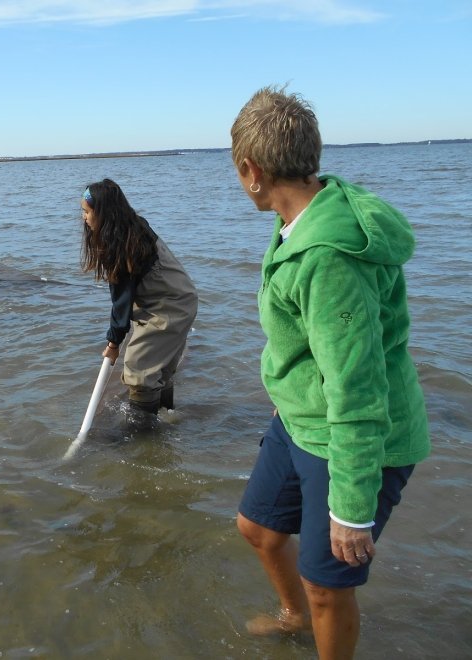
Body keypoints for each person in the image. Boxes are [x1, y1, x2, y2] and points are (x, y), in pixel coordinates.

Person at [231, 85, 430, 659]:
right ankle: (295, 616)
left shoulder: (328, 258)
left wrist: (350, 509)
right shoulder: (309, 208)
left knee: (328, 582)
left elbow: (357, 386)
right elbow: (310, 339)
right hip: (303, 416)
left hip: (356, 434)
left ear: (253, 170)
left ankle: (313, 616)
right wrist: (290, 390)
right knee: (259, 529)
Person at [80, 178, 197, 418]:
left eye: (87, 212)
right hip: (179, 300)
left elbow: (121, 303)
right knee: (159, 370)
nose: (84, 217)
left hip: (168, 308)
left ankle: (141, 439)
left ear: (104, 214)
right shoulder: (133, 226)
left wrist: (113, 344)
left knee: (140, 373)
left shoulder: (125, 244)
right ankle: (165, 420)